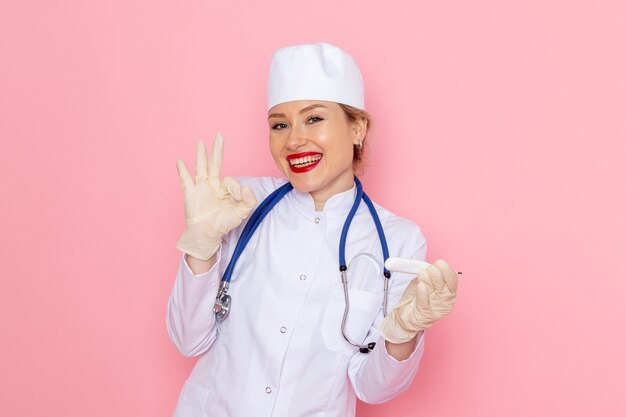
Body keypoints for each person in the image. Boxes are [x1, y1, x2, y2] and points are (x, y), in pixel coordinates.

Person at [167, 42, 458, 417]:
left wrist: (403, 332)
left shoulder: (397, 239)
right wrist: (199, 248)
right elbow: (188, 341)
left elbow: (373, 387)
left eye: (314, 119)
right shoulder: (236, 204)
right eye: (279, 125)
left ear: (358, 128)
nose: (293, 140)